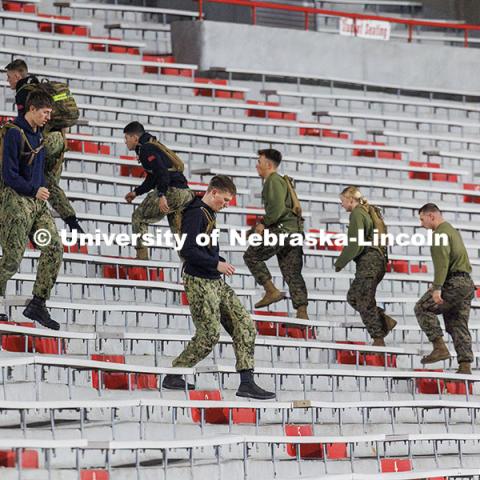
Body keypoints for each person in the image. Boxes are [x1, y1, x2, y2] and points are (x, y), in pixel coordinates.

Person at [162, 175, 275, 400]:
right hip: (199, 281)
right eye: (224, 199)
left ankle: (246, 382)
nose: (226, 204)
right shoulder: (195, 213)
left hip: (215, 279)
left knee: (245, 325)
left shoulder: (208, 212)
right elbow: (188, 251)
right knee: (209, 334)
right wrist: (216, 263)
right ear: (213, 192)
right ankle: (174, 374)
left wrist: (217, 260)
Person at [0, 90, 63, 330]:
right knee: (12, 260)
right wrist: (33, 190)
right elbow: (9, 175)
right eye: (45, 112)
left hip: (37, 206)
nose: (48, 117)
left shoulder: (40, 136)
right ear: (32, 110)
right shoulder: (14, 133)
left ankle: (38, 302)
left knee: (54, 248)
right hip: (16, 203)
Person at [5, 59, 84, 234]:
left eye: (9, 77)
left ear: (17, 75)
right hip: (59, 141)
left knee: (34, 177)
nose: (8, 81)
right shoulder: (42, 87)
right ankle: (72, 222)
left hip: (43, 142)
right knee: (49, 184)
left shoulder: (24, 92)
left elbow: (26, 124)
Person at [243, 149, 309, 319]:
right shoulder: (281, 181)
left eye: (259, 162)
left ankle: (271, 290)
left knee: (251, 255)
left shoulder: (272, 180)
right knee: (293, 272)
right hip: (294, 232)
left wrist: (263, 223)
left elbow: (278, 209)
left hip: (281, 231)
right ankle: (302, 312)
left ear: (269, 165)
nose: (257, 166)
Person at [415, 203, 475, 374]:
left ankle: (439, 347)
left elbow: (442, 264)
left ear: (431, 216)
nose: (421, 224)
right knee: (457, 323)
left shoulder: (440, 234)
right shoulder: (451, 230)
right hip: (465, 284)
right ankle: (465, 365)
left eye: (422, 219)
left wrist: (437, 288)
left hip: (453, 283)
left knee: (422, 308)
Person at [334, 186, 396, 346]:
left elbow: (356, 243)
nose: (341, 204)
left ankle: (378, 338)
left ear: (350, 200)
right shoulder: (366, 211)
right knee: (353, 297)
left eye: (342, 201)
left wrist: (340, 262)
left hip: (369, 262)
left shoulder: (357, 213)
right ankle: (384, 322)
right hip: (377, 262)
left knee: (363, 300)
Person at [123, 121, 194, 260]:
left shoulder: (146, 149)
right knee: (178, 233)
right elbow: (153, 177)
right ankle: (190, 265)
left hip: (172, 191)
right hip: (185, 193)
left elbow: (162, 172)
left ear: (135, 137)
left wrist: (161, 195)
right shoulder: (152, 145)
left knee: (138, 218)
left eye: (126, 138)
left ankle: (141, 258)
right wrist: (136, 192)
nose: (125, 142)